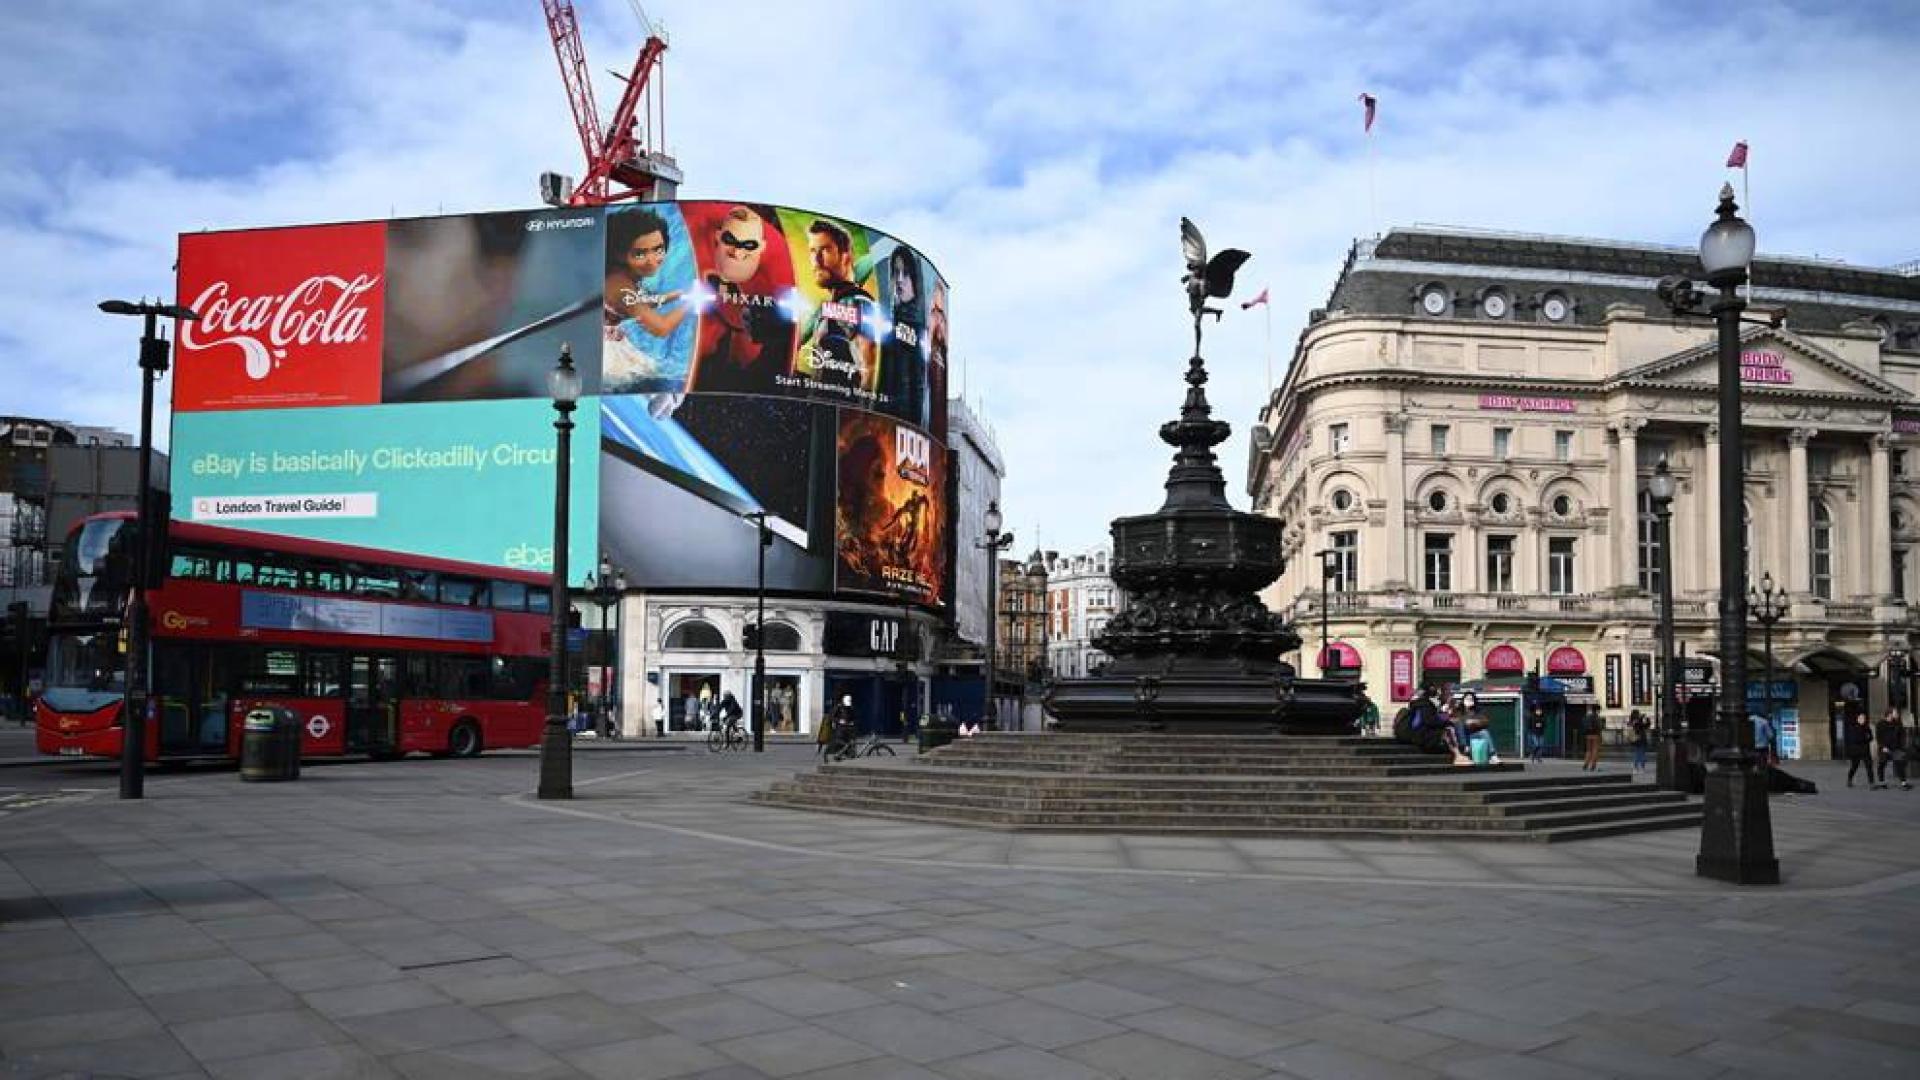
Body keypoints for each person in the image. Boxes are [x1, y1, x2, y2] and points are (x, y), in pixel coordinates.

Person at [603, 208, 695, 395]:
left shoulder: (624, 276)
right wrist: (691, 303)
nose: (652, 260)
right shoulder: (620, 285)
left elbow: (643, 302)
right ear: (620, 253)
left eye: (658, 250)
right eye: (640, 254)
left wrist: (676, 295)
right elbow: (660, 328)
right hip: (606, 358)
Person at [798, 219, 877, 392]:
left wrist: (862, 416)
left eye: (825, 250)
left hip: (842, 409)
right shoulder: (826, 309)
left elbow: (868, 368)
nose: (816, 260)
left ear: (846, 256)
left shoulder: (856, 302)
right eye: (813, 251)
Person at [1874, 707, 1909, 790]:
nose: (1897, 714)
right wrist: (1882, 747)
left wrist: (1901, 746)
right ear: (1889, 714)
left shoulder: (1897, 723)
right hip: (1884, 748)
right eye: (1895, 713)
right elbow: (1878, 737)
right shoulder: (1880, 724)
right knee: (1882, 764)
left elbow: (1901, 735)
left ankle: (1903, 783)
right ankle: (1882, 782)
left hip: (1895, 748)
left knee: (1900, 764)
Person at [1844, 708, 1876, 787]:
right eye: (1861, 718)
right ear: (1857, 719)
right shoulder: (1853, 727)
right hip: (1856, 751)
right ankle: (1849, 779)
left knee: (1869, 766)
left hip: (1865, 750)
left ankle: (1871, 783)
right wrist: (1865, 738)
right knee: (1854, 766)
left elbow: (1871, 737)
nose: (1862, 720)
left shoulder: (1867, 727)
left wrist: (1865, 738)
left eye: (1864, 718)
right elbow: (1855, 739)